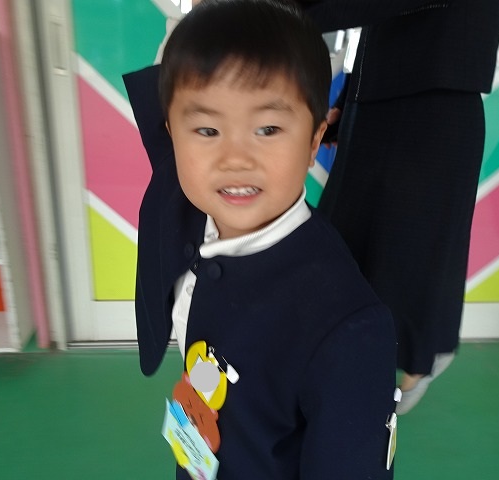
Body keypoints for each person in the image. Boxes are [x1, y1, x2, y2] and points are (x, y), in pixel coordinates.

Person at [123, 1, 398, 478]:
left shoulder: (349, 327)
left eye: (268, 129)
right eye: (207, 129)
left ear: (313, 141)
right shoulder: (184, 204)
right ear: (173, 137)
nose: (235, 158)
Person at [295, 0, 499, 414]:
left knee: (410, 257)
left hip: (434, 102)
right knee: (342, 247)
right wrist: (354, 97)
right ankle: (349, 367)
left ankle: (418, 354)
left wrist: (286, 10)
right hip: (380, 99)